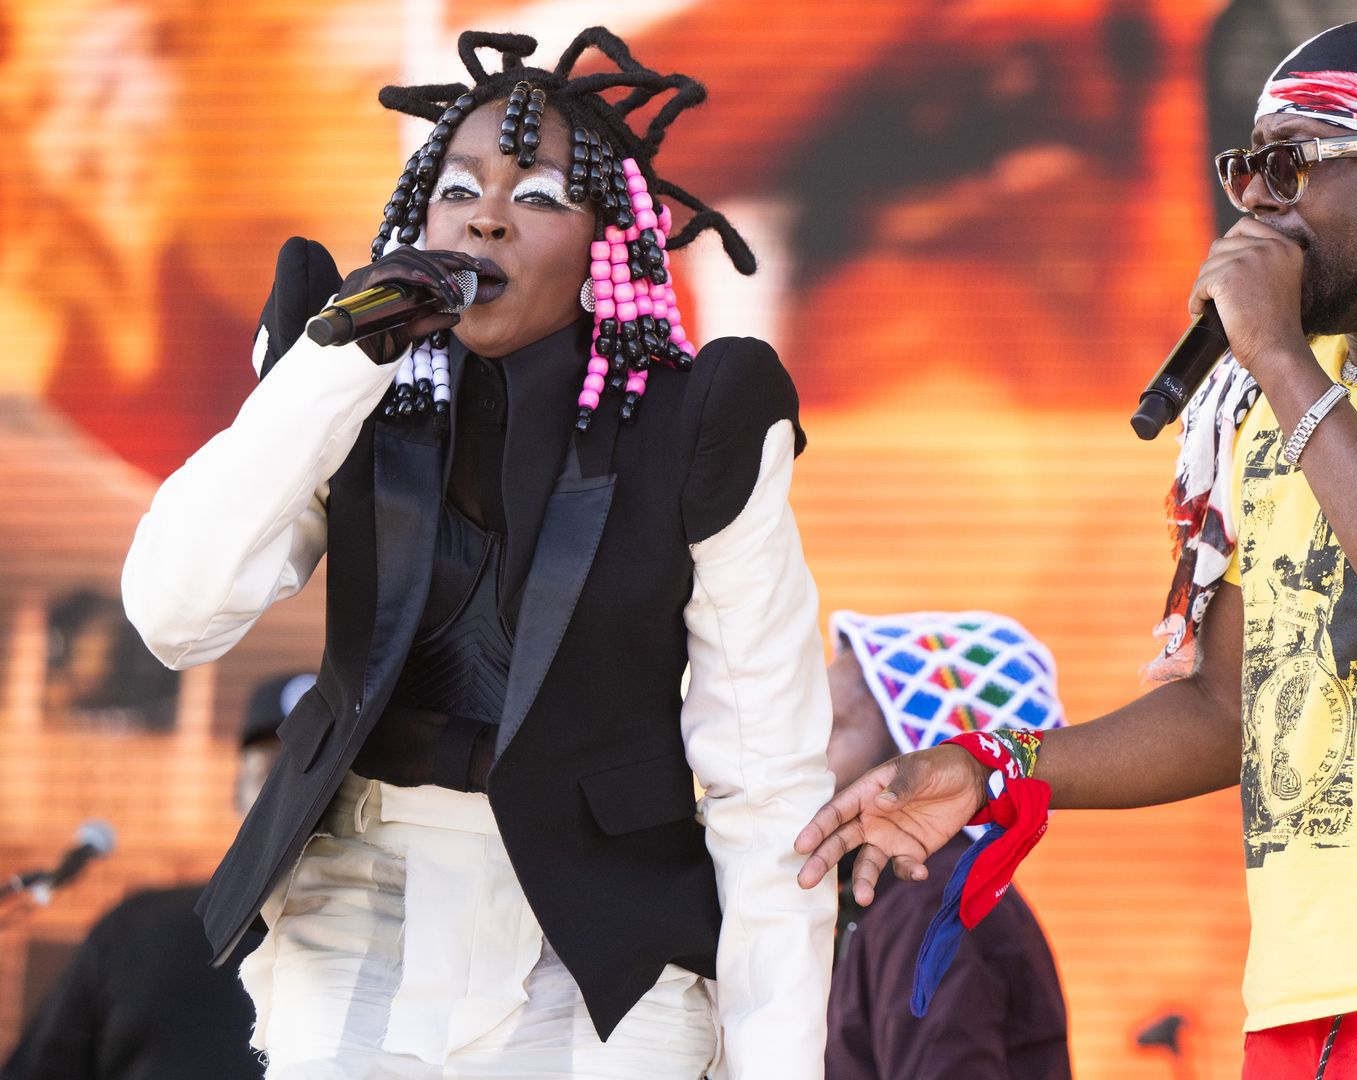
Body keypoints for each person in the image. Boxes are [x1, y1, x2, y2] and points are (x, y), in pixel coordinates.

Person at [798, 16, 1357, 1079]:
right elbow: (1230, 710)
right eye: (1246, 169)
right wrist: (997, 767)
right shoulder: (1266, 404)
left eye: (1296, 165)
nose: (1259, 201)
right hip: (1305, 998)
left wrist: (1274, 354)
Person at [121, 28, 833, 1080]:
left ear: (607, 247)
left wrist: (779, 1062)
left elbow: (766, 775)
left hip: (602, 925)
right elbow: (178, 613)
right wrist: (336, 365)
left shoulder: (697, 425)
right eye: (458, 188)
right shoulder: (351, 385)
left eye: (540, 195)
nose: (488, 214)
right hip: (358, 892)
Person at [2, 671, 306, 1080]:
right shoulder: (136, 932)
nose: (297, 796)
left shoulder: (406, 943)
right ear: (237, 789)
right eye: (272, 771)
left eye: (320, 773)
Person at [822, 611, 1070, 1080]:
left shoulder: (929, 905)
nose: (806, 752)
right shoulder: (897, 900)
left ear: (919, 759)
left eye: (832, 727)